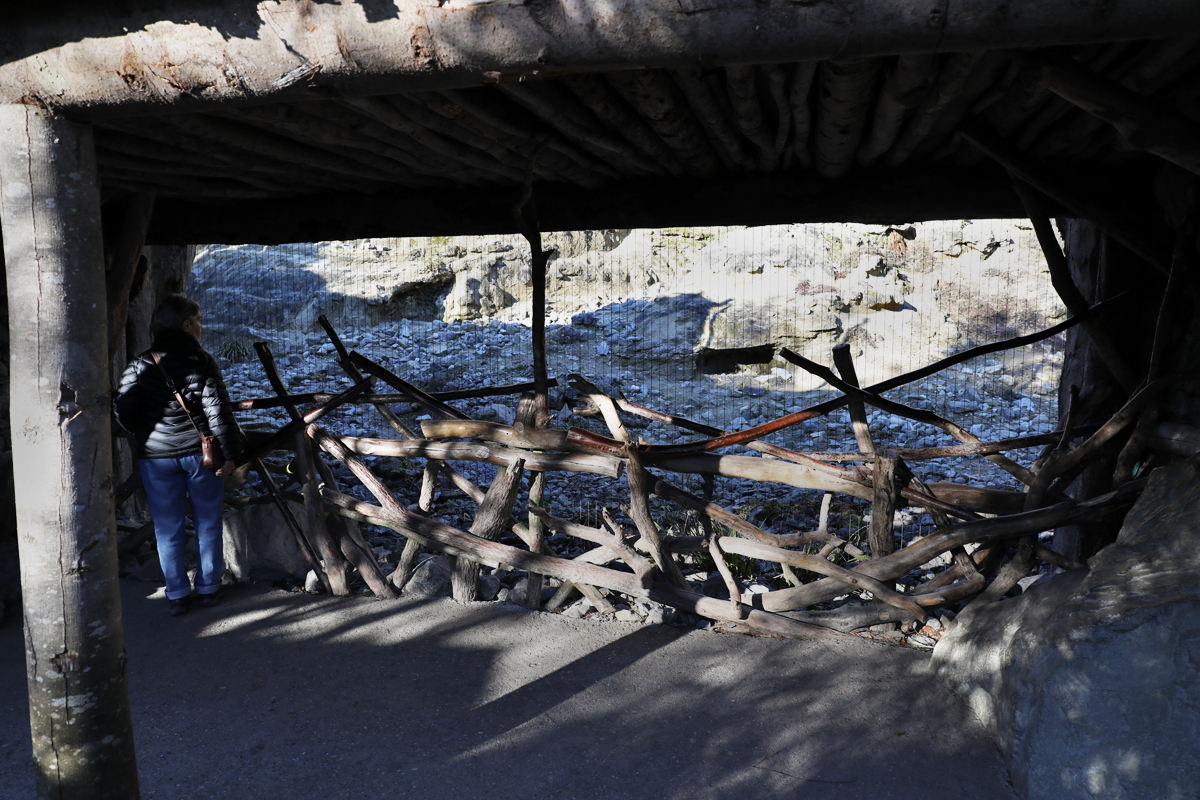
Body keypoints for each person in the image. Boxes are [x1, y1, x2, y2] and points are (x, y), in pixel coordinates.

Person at [114, 295, 243, 616]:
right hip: (201, 457)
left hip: (156, 460)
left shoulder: (140, 364)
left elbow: (124, 412)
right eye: (199, 321)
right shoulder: (201, 361)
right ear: (187, 325)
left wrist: (147, 431)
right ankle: (209, 587)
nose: (201, 328)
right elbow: (219, 413)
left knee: (167, 527)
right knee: (208, 522)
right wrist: (231, 455)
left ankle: (176, 594)